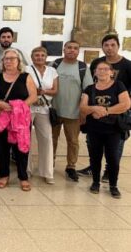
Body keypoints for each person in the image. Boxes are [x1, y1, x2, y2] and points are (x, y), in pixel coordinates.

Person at [78, 34, 131, 180]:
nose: (109, 48)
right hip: (96, 112)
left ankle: (109, 171)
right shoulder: (97, 62)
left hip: (118, 112)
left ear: (118, 46)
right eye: (106, 45)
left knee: (115, 146)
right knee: (92, 143)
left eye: (113, 45)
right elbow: (91, 85)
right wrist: (87, 110)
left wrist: (123, 105)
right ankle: (93, 167)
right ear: (102, 47)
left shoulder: (127, 65)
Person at [0, 48, 37, 191]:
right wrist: (0, 104)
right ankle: (4, 176)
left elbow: (33, 96)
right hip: (2, 117)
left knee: (21, 148)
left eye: (12, 58)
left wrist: (19, 108)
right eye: (6, 59)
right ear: (2, 61)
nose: (9, 61)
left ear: (18, 61)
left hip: (21, 119)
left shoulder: (26, 77)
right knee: (2, 148)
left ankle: (23, 177)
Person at [79, 61, 130, 198]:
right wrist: (94, 108)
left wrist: (106, 111)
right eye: (99, 69)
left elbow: (126, 104)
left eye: (106, 69)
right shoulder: (89, 89)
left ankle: (113, 185)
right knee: (95, 157)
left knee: (113, 158)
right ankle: (95, 182)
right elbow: (83, 107)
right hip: (94, 129)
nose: (102, 71)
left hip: (113, 129)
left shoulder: (119, 85)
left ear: (112, 72)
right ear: (95, 72)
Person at [0, 27, 28, 165]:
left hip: (16, 97)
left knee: (15, 125)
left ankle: (14, 153)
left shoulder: (18, 53)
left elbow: (24, 71)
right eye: (3, 37)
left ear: (12, 38)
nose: (6, 39)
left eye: (8, 37)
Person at [51, 41, 93, 182]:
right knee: (51, 140)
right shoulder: (54, 64)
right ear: (64, 49)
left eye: (75, 48)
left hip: (73, 112)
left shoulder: (82, 68)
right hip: (53, 111)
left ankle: (71, 167)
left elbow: (88, 90)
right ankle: (49, 163)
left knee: (73, 141)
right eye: (69, 47)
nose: (72, 50)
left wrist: (83, 111)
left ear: (78, 51)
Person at [25, 46, 58, 184]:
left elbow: (55, 90)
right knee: (25, 139)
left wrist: (43, 92)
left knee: (47, 139)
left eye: (42, 55)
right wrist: (34, 93)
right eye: (36, 55)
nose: (39, 57)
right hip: (29, 107)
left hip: (44, 108)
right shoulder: (26, 69)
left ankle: (47, 172)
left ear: (46, 57)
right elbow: (23, 88)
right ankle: (26, 170)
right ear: (32, 57)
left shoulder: (52, 71)